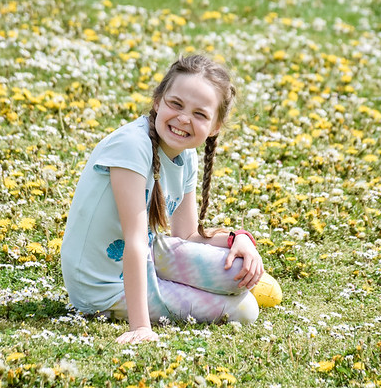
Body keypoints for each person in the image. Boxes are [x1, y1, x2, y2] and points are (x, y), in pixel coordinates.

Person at [61, 54, 267, 344]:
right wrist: (141, 328)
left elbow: (188, 235)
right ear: (158, 101)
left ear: (215, 126)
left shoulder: (187, 156)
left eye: (200, 114)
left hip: (148, 255)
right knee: (245, 309)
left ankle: (227, 282)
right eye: (176, 104)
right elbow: (134, 240)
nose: (184, 119)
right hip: (103, 284)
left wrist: (238, 239)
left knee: (235, 267)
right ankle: (214, 289)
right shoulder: (131, 147)